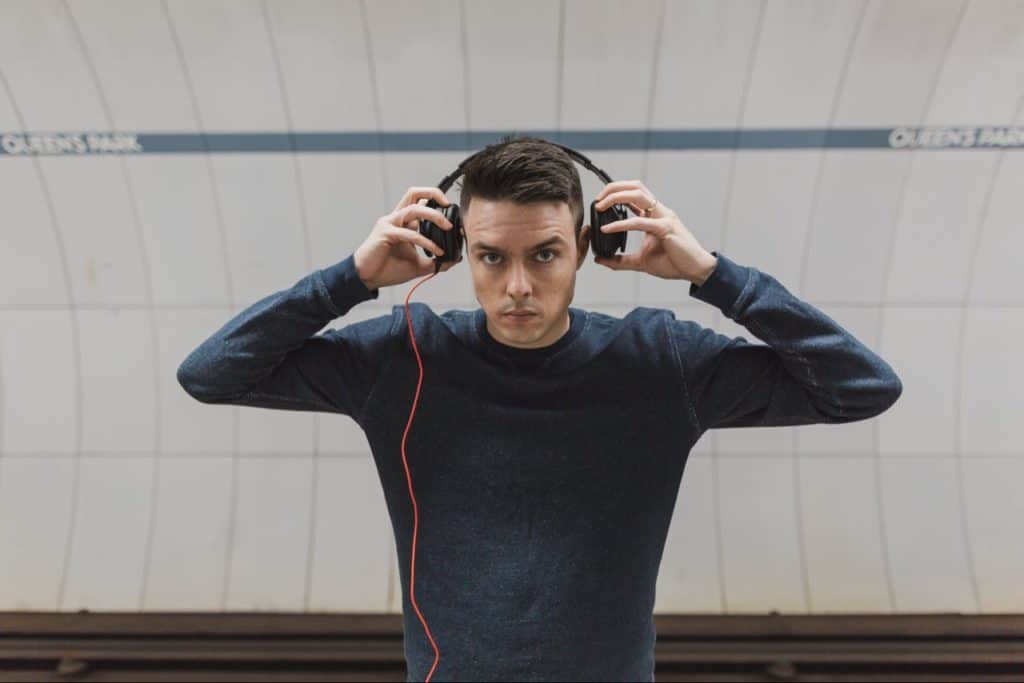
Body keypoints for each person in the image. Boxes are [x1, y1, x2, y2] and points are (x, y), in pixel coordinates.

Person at [177, 135, 903, 682]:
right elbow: (211, 373)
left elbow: (862, 386)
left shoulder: (660, 361)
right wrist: (351, 278)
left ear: (588, 247)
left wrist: (711, 273)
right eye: (493, 258)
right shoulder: (403, 355)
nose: (518, 285)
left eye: (545, 256)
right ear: (456, 250)